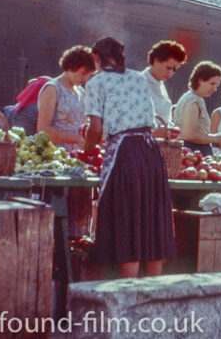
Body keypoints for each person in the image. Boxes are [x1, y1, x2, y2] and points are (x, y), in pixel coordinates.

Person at [83, 36, 175, 278]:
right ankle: (152, 294)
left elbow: (95, 127)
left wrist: (86, 148)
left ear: (96, 58)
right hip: (150, 151)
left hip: (124, 152)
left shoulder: (97, 82)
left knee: (129, 219)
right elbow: (147, 119)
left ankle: (128, 292)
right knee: (152, 220)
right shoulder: (137, 77)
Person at [36, 46, 94, 153]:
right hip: (56, 154)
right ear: (71, 67)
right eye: (83, 73)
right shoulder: (52, 89)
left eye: (89, 75)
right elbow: (43, 129)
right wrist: (75, 138)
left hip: (78, 155)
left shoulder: (81, 92)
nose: (85, 78)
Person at [172, 61, 221, 156]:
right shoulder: (192, 101)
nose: (215, 89)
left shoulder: (196, 98)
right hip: (192, 153)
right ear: (200, 80)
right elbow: (189, 134)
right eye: (212, 84)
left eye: (217, 85)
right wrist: (215, 138)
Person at [142, 40, 187, 128]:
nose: (171, 73)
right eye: (169, 68)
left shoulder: (161, 85)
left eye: (174, 70)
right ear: (156, 61)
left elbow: (165, 119)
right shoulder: (139, 82)